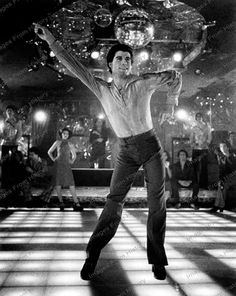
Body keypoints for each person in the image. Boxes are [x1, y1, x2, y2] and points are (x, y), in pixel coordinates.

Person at [34, 23, 182, 281]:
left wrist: (173, 100)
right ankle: (92, 255)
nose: (124, 62)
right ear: (110, 65)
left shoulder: (144, 82)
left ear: (131, 65)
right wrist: (51, 40)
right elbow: (73, 65)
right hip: (125, 151)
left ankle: (157, 261)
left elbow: (175, 77)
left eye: (128, 59)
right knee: (114, 202)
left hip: (150, 148)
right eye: (119, 59)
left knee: (156, 203)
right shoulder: (100, 87)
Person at [47, 128, 83, 211]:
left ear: (68, 135)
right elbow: (49, 152)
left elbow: (74, 155)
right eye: (64, 133)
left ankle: (76, 203)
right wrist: (54, 159)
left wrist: (71, 161)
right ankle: (61, 202)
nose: (65, 135)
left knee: (71, 183)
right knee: (58, 183)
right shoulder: (57, 142)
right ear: (61, 134)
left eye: (67, 133)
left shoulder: (70, 144)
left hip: (66, 165)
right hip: (58, 164)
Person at [0, 105, 23, 188]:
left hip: (14, 144)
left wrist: (16, 140)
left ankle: (14, 182)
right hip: (5, 143)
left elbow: (20, 132)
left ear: (13, 112)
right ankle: (4, 182)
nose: (9, 112)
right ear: (6, 112)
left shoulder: (17, 121)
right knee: (4, 162)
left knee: (14, 161)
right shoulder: (2, 121)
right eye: (8, 110)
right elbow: (0, 131)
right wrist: (3, 136)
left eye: (10, 110)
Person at [190, 112, 212, 194]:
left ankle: (204, 184)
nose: (198, 118)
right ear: (196, 118)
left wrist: (206, 143)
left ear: (202, 117)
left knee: (204, 166)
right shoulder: (193, 127)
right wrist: (192, 144)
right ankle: (195, 183)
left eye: (200, 116)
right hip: (196, 148)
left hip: (204, 148)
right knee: (195, 166)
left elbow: (210, 136)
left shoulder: (207, 126)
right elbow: (191, 137)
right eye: (197, 117)